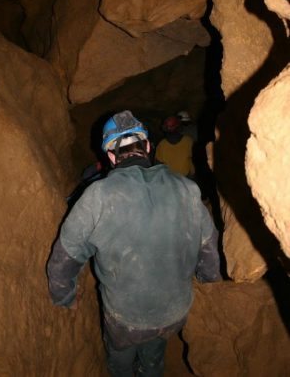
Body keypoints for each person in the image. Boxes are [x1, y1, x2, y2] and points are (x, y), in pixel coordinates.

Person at [47, 110, 221, 377]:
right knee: (153, 358)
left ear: (111, 155)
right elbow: (209, 253)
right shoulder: (188, 189)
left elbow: (63, 260)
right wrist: (207, 281)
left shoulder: (98, 196)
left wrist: (65, 298)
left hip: (125, 319)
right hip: (173, 312)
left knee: (120, 362)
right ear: (149, 147)